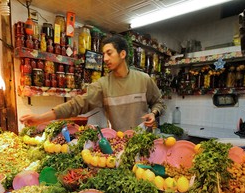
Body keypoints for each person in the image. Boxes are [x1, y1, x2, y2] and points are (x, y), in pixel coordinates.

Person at [20, 35, 165, 132]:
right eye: (103, 54)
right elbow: (76, 105)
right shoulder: (103, 85)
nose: (105, 58)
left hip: (144, 141)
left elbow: (159, 102)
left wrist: (153, 113)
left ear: (122, 54)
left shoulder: (143, 79)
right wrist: (39, 118)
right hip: (119, 144)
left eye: (109, 53)